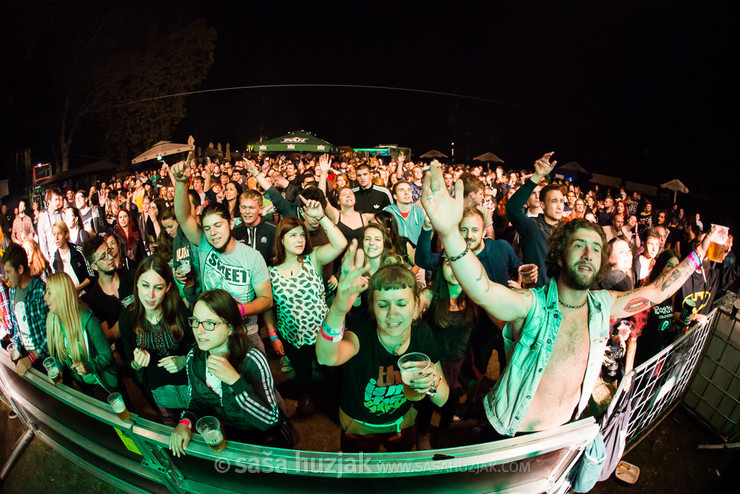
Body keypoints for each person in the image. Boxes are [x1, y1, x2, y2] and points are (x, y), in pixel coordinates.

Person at [421, 159, 715, 438]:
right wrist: (448, 232)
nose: (589, 254)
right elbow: (482, 289)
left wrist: (698, 254)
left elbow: (657, 291)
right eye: (579, 245)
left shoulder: (603, 306)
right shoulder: (531, 305)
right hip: (512, 431)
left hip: (562, 431)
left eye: (596, 248)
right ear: (560, 255)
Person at [316, 249, 449, 453]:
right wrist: (338, 309)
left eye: (402, 303)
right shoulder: (362, 334)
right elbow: (326, 357)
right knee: (359, 475)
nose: (392, 313)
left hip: (402, 423)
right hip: (359, 426)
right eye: (383, 304)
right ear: (373, 308)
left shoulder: (422, 334)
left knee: (400, 471)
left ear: (416, 309)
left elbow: (442, 398)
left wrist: (433, 382)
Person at [168, 289, 291, 456]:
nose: (199, 331)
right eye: (196, 321)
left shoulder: (253, 359)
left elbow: (270, 419)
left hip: (269, 440)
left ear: (231, 328)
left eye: (210, 323)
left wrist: (235, 381)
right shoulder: (194, 357)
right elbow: (197, 400)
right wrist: (185, 421)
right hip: (235, 436)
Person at [172, 158, 273, 352]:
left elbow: (266, 299)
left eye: (218, 225)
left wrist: (239, 310)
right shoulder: (204, 245)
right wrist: (180, 182)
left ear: (231, 224)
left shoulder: (252, 257)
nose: (213, 233)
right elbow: (183, 217)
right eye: (208, 228)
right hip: (212, 332)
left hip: (245, 333)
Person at [265, 212, 347, 416]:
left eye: (301, 235)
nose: (299, 239)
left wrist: (322, 217)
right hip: (291, 336)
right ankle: (306, 396)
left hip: (322, 334)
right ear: (281, 239)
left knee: (332, 373)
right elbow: (268, 308)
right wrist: (273, 336)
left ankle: (338, 405)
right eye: (292, 235)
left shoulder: (313, 259)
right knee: (303, 373)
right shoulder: (271, 272)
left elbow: (340, 244)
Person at [118, 256, 192, 425]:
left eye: (158, 288)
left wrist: (184, 360)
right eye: (145, 285)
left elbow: (198, 348)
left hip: (188, 384)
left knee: (197, 427)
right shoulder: (127, 319)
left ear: (168, 288)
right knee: (171, 429)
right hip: (158, 390)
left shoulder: (179, 312)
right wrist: (137, 363)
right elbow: (130, 364)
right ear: (137, 284)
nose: (150, 295)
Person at [44, 272, 119, 398]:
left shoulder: (88, 321)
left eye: (49, 292)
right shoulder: (53, 322)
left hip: (104, 386)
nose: (45, 297)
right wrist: (59, 370)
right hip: (85, 387)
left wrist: (89, 366)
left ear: (62, 294)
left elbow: (107, 355)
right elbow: (59, 356)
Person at [506, 152, 564, 287]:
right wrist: (537, 176)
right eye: (554, 201)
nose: (559, 205)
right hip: (538, 297)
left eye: (561, 200)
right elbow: (512, 208)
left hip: (561, 299)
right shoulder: (533, 227)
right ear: (542, 205)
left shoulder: (567, 231)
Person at [1, 243, 50, 376]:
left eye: (9, 272)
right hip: (27, 359)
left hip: (47, 361)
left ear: (20, 269)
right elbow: (17, 327)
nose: (6, 277)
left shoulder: (41, 290)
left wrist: (31, 358)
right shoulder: (12, 291)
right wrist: (16, 349)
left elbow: (51, 334)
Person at [81, 235, 135, 342]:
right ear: (94, 266)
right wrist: (125, 320)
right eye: (103, 257)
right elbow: (106, 337)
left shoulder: (131, 277)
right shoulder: (94, 298)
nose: (110, 257)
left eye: (109, 251)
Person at [232, 189, 277, 263]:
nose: (247, 212)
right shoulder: (236, 232)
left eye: (251, 208)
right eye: (243, 207)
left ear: (260, 209)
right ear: (239, 208)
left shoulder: (273, 229)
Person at [51, 221, 93, 293]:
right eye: (54, 234)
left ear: (66, 234)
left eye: (59, 233)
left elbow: (91, 274)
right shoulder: (55, 260)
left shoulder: (78, 251)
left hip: (85, 295)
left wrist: (78, 288)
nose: (56, 238)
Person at [383, 180, 426, 247]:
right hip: (396, 253)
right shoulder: (388, 211)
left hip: (416, 253)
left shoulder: (418, 211)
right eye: (401, 190)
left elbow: (425, 235)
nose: (406, 193)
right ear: (395, 196)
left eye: (409, 190)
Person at [37, 187, 65, 262]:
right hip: (52, 257)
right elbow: (42, 243)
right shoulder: (43, 218)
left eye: (59, 199)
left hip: (64, 254)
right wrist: (48, 261)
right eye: (55, 199)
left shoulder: (62, 215)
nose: (58, 202)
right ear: (49, 201)